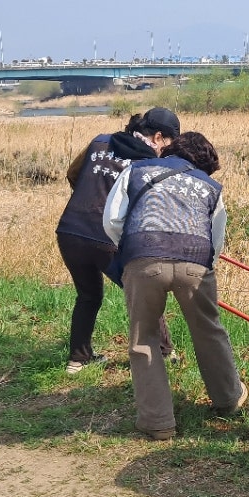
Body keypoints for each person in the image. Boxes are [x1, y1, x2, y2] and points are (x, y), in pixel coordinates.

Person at [103, 132, 246, 441]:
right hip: (195, 259)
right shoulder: (210, 185)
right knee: (209, 330)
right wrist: (206, 267)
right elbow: (215, 237)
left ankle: (158, 423)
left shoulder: (137, 170)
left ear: (169, 149)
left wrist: (133, 252)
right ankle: (229, 400)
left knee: (144, 338)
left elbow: (112, 220)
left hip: (143, 257)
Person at [56, 108, 181, 374]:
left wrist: (87, 201)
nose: (168, 152)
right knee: (144, 291)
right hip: (107, 237)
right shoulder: (148, 162)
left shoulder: (101, 141)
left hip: (70, 230)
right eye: (169, 144)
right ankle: (163, 352)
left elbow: (73, 174)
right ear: (159, 137)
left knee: (88, 296)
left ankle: (78, 359)